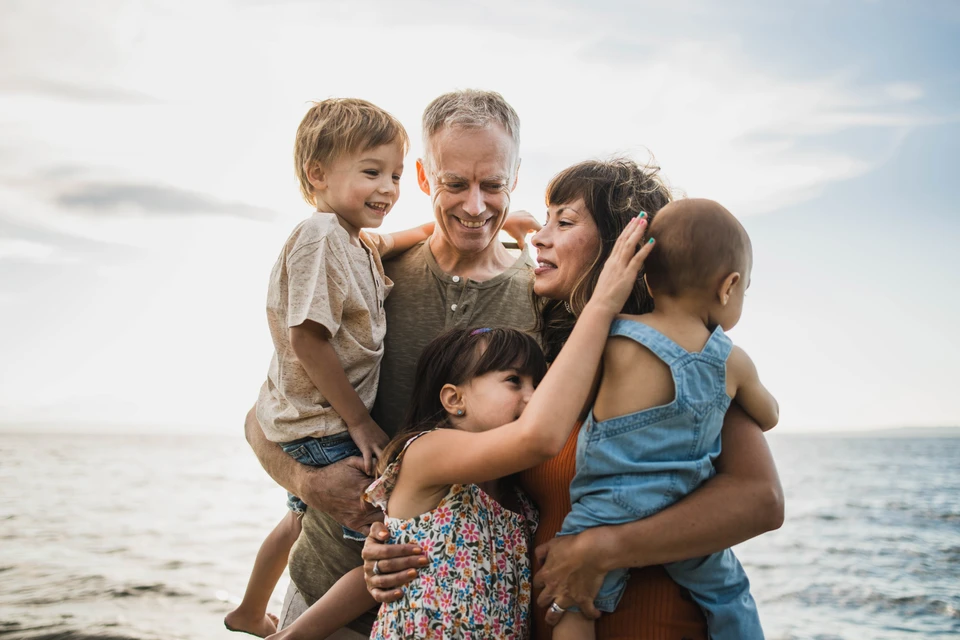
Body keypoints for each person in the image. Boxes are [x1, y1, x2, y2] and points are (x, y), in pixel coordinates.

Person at [362, 158, 785, 640]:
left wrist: (603, 549)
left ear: (625, 247)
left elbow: (761, 500)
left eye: (564, 222)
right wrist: (398, 543)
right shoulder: (536, 372)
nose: (539, 238)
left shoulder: (688, 361)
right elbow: (464, 496)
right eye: (544, 220)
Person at [265, 215, 655, 639]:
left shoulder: (517, 504)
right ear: (453, 399)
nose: (534, 397)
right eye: (514, 382)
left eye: (539, 384)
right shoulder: (429, 454)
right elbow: (372, 580)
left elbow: (396, 563)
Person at [242, 89, 541, 636]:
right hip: (326, 591)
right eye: (455, 184)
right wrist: (308, 483)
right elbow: (262, 417)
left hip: (464, 610)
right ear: (425, 178)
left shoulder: (542, 299)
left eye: (493, 185)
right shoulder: (369, 269)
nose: (475, 206)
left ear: (514, 180)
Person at [226, 98, 436, 638]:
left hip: (309, 419)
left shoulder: (354, 241)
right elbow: (308, 339)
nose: (388, 188)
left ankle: (250, 611)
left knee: (300, 514)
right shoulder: (319, 235)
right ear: (317, 174)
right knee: (383, 526)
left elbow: (392, 240)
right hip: (324, 423)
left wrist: (456, 222)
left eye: (394, 175)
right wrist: (360, 423)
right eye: (371, 172)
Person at [552, 198, 779, 640]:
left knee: (575, 600)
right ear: (728, 286)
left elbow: (573, 402)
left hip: (603, 509)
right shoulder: (731, 360)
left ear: (648, 278)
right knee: (728, 593)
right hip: (681, 510)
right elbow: (768, 416)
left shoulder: (613, 337)